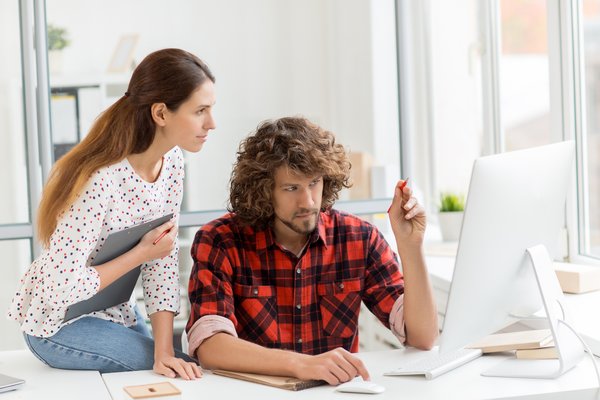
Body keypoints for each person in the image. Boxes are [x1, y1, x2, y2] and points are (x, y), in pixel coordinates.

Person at [7, 48, 216, 379]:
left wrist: (162, 351)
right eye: (201, 111)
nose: (211, 123)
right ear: (161, 113)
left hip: (117, 312)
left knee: (173, 362)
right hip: (58, 325)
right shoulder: (100, 179)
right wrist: (141, 253)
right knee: (186, 367)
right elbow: (61, 286)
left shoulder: (173, 163)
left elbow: (162, 261)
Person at [185, 116, 438, 385]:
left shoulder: (358, 238)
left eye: (314, 183)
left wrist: (411, 247)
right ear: (264, 190)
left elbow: (422, 337)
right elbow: (210, 347)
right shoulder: (220, 240)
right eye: (292, 188)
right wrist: (301, 364)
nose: (307, 201)